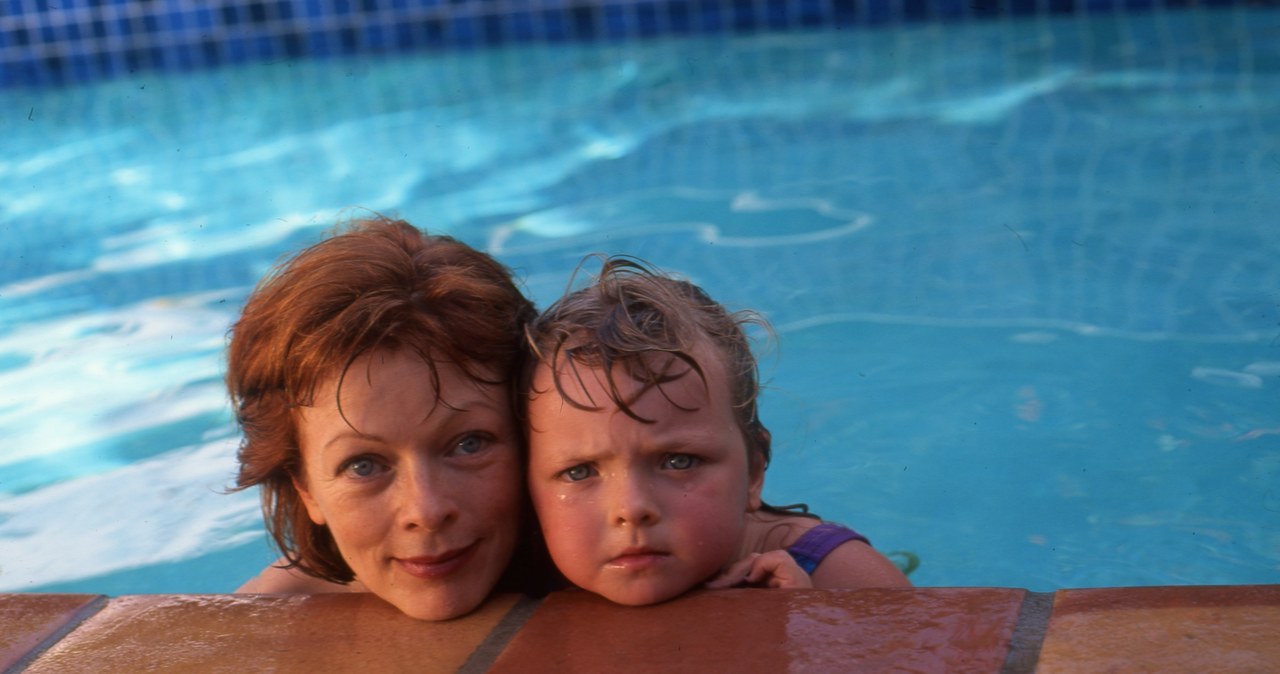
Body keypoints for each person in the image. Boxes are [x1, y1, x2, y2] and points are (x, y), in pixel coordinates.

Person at [523, 256, 910, 606]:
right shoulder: (536, 569)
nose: (632, 508)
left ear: (755, 473)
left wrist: (809, 629)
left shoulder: (838, 573)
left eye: (678, 461)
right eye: (579, 472)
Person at [227, 216, 548, 620]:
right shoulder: (261, 619)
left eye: (470, 444)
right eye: (363, 466)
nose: (426, 510)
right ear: (306, 488)